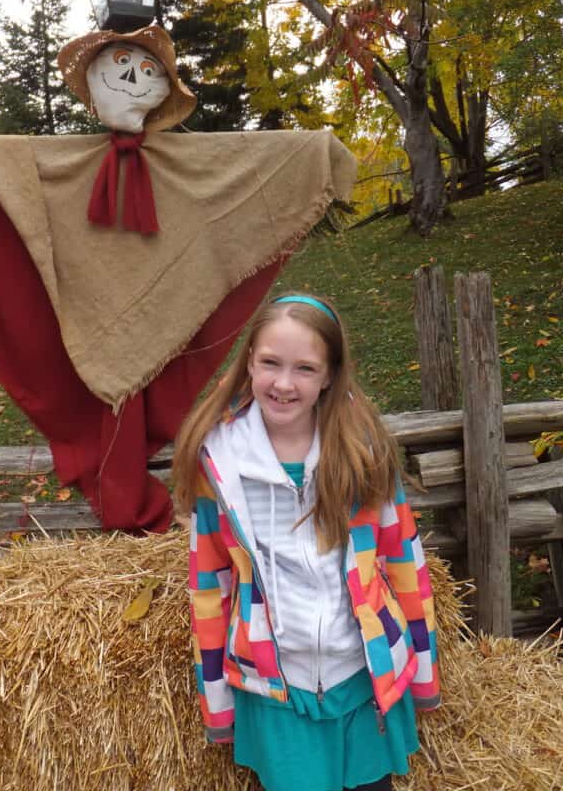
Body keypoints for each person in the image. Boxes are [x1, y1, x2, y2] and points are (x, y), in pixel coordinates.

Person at [173, 292, 440, 791]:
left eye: (305, 368)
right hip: (277, 689)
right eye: (271, 363)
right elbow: (209, 588)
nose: (283, 383)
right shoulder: (220, 468)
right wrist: (217, 701)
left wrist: (422, 672)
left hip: (364, 678)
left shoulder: (364, 455)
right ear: (249, 361)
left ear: (330, 376)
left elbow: (405, 561)